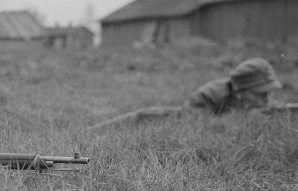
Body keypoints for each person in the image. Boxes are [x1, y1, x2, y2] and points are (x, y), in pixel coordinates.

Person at [86, 57, 284, 130]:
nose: (268, 99)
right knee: (144, 116)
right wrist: (242, 117)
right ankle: (91, 130)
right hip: (191, 113)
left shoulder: (253, 97)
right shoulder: (211, 95)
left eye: (269, 94)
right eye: (261, 94)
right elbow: (203, 127)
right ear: (241, 92)